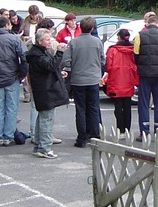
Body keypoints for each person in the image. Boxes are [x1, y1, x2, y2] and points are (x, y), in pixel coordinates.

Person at [62, 16, 105, 148]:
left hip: (78, 79)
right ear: (92, 28)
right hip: (93, 79)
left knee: (80, 109)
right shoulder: (98, 42)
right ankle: (95, 135)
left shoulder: (74, 42)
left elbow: (66, 60)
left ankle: (81, 138)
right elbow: (103, 60)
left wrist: (72, 69)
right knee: (93, 107)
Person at [0, 16, 27, 147]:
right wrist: (22, 73)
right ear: (8, 25)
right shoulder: (14, 39)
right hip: (12, 76)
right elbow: (24, 57)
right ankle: (8, 136)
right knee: (11, 108)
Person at [26, 28, 68, 159]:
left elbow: (48, 68)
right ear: (40, 41)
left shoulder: (39, 53)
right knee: (46, 119)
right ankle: (44, 148)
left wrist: (58, 72)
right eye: (47, 40)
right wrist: (60, 52)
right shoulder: (37, 55)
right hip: (45, 90)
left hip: (44, 88)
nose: (50, 42)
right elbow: (49, 66)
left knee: (43, 117)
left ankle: (39, 145)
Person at [134, 14, 158, 140]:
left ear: (147, 23)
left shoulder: (140, 35)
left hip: (145, 73)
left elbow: (136, 55)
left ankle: (144, 131)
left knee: (143, 103)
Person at [104, 28, 138, 138]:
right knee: (127, 106)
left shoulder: (112, 50)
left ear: (119, 37)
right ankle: (127, 130)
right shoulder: (133, 50)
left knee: (118, 106)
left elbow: (108, 66)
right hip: (129, 79)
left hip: (116, 79)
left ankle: (120, 130)